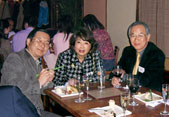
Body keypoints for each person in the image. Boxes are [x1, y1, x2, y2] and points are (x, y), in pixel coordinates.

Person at [1, 28, 61, 117]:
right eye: (39, 40)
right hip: (18, 112)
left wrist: (48, 81)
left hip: (36, 111)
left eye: (46, 43)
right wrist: (39, 83)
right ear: (28, 42)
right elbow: (12, 88)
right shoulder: (15, 58)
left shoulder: (37, 62)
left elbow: (42, 91)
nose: (43, 45)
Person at [111, 21, 165, 91]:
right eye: (133, 36)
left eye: (140, 35)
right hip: (129, 91)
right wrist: (114, 78)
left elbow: (145, 80)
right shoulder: (128, 51)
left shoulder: (156, 55)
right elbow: (117, 69)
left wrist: (124, 76)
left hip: (150, 94)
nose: (136, 39)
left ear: (148, 37)